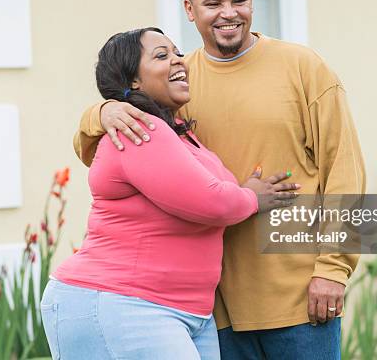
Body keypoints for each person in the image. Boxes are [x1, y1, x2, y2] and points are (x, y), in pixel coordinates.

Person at [74, 0, 366, 359]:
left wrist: (334, 270)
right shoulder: (178, 80)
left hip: (299, 297)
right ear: (190, 10)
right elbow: (100, 145)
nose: (228, 13)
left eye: (239, 0)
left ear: (251, 4)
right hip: (215, 308)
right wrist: (102, 111)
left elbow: (346, 172)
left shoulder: (303, 67)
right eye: (213, 3)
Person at [41, 27, 299, 360]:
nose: (178, 60)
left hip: (183, 311)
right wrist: (252, 197)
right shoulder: (138, 129)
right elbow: (214, 202)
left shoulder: (181, 137)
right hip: (123, 302)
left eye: (177, 52)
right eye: (162, 56)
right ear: (133, 80)